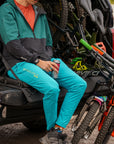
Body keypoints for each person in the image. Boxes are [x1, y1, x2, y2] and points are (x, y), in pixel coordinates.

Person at [0, 0, 87, 143]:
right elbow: (12, 45)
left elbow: (49, 43)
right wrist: (37, 61)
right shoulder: (7, 9)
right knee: (52, 88)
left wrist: (46, 60)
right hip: (19, 64)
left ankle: (56, 131)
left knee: (79, 85)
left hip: (44, 61)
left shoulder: (39, 11)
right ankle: (51, 133)